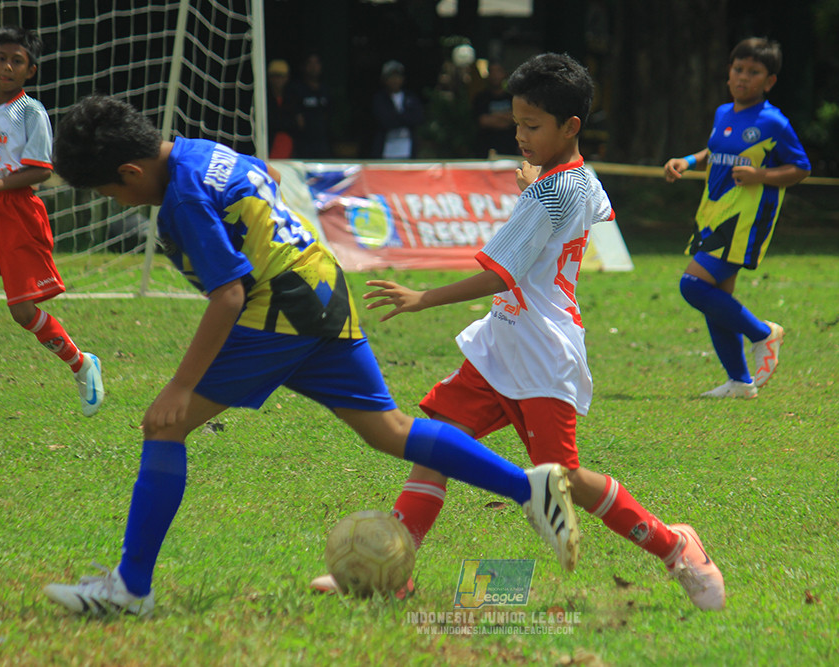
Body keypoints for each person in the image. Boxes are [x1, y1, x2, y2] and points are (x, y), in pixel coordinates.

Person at [42, 94, 580, 617]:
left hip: (276, 313)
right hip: (322, 286)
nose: (117, 203)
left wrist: (180, 385)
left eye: (110, 192)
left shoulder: (181, 199)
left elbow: (228, 296)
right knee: (388, 430)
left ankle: (131, 587)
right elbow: (268, 178)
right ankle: (528, 488)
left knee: (165, 427)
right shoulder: (201, 151)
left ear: (131, 172)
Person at [311, 53, 726, 611]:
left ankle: (676, 546)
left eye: (532, 127)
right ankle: (395, 571)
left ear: (570, 127)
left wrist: (423, 298)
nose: (520, 135)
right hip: (501, 342)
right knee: (437, 446)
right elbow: (585, 204)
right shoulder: (577, 179)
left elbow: (498, 273)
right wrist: (538, 179)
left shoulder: (549, 194)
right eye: (516, 124)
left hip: (541, 352)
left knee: (565, 480)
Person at [663, 37, 810, 399]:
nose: (743, 77)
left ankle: (763, 333)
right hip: (713, 211)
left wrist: (762, 176)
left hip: (745, 217)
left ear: (769, 81)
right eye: (738, 69)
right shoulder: (722, 113)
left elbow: (801, 167)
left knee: (692, 285)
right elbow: (715, 149)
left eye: (754, 72)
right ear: (729, 72)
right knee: (715, 297)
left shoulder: (774, 122)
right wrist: (690, 161)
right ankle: (740, 382)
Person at [0, 26, 103, 417]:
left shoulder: (30, 112)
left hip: (16, 212)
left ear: (30, 71)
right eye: (1, 57)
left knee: (22, 312)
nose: (6, 66)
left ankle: (81, 363)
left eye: (16, 61)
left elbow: (40, 170)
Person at [370, 60, 425, 159]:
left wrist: (397, 117)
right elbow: (385, 121)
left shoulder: (410, 97)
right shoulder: (380, 98)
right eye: (391, 77)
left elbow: (418, 118)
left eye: (398, 76)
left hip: (407, 149)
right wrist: (404, 117)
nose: (395, 80)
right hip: (386, 149)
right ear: (385, 79)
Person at [290, 53, 332, 159]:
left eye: (316, 63)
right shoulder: (297, 89)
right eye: (310, 63)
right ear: (304, 66)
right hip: (303, 144)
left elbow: (329, 113)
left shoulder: (325, 89)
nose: (313, 67)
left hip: (322, 142)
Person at [472, 61, 517, 158]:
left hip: (509, 149)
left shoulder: (512, 98)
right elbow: (483, 121)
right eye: (492, 72)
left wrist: (494, 116)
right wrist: (506, 117)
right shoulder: (481, 98)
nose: (495, 75)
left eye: (498, 71)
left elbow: (516, 119)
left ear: (504, 74)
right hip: (485, 149)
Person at [266, 59, 301, 159]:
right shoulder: (264, 98)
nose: (277, 80)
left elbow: (298, 124)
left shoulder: (293, 97)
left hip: (288, 143)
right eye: (274, 76)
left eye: (280, 76)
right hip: (270, 143)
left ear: (286, 78)